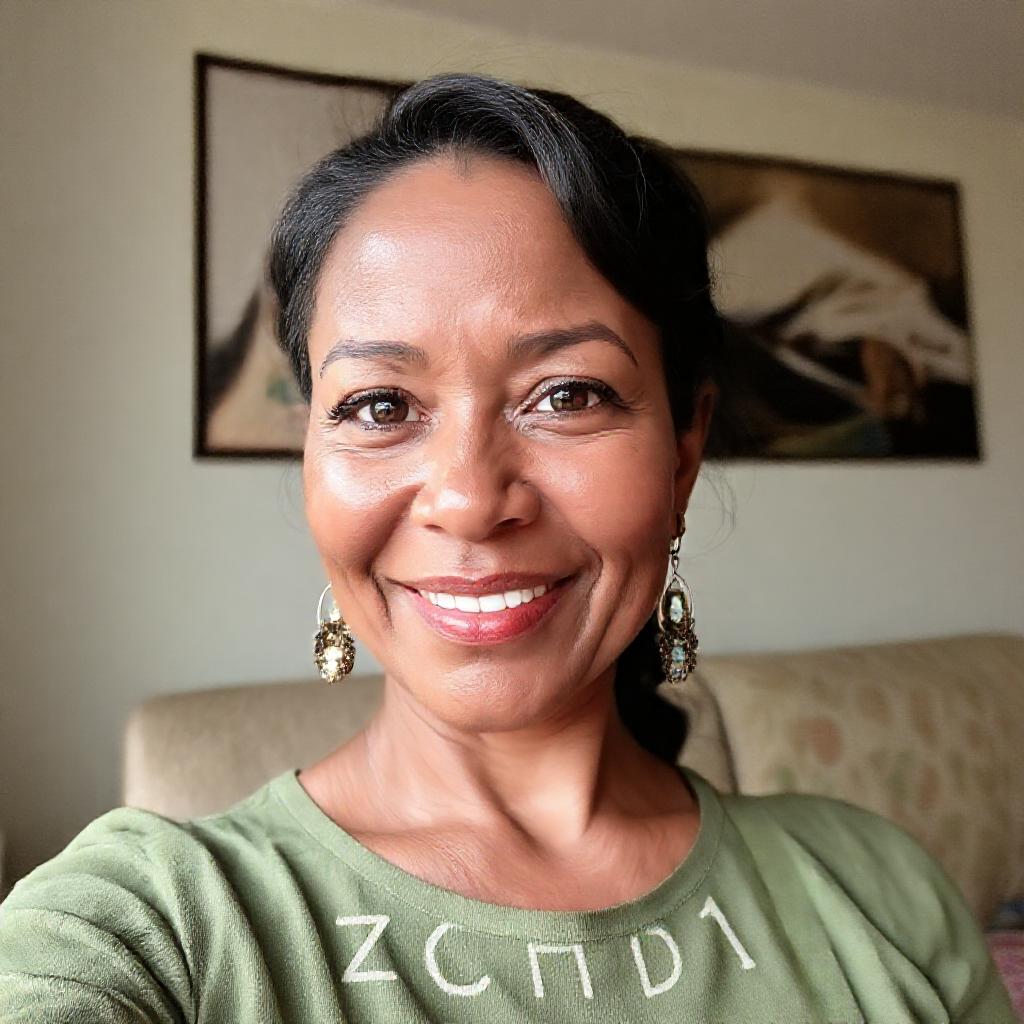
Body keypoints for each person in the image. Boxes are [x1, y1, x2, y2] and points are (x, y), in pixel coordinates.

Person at [0, 72, 1013, 1023]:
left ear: (682, 452)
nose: (470, 500)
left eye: (567, 394)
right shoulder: (152, 928)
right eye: (380, 405)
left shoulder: (881, 893)